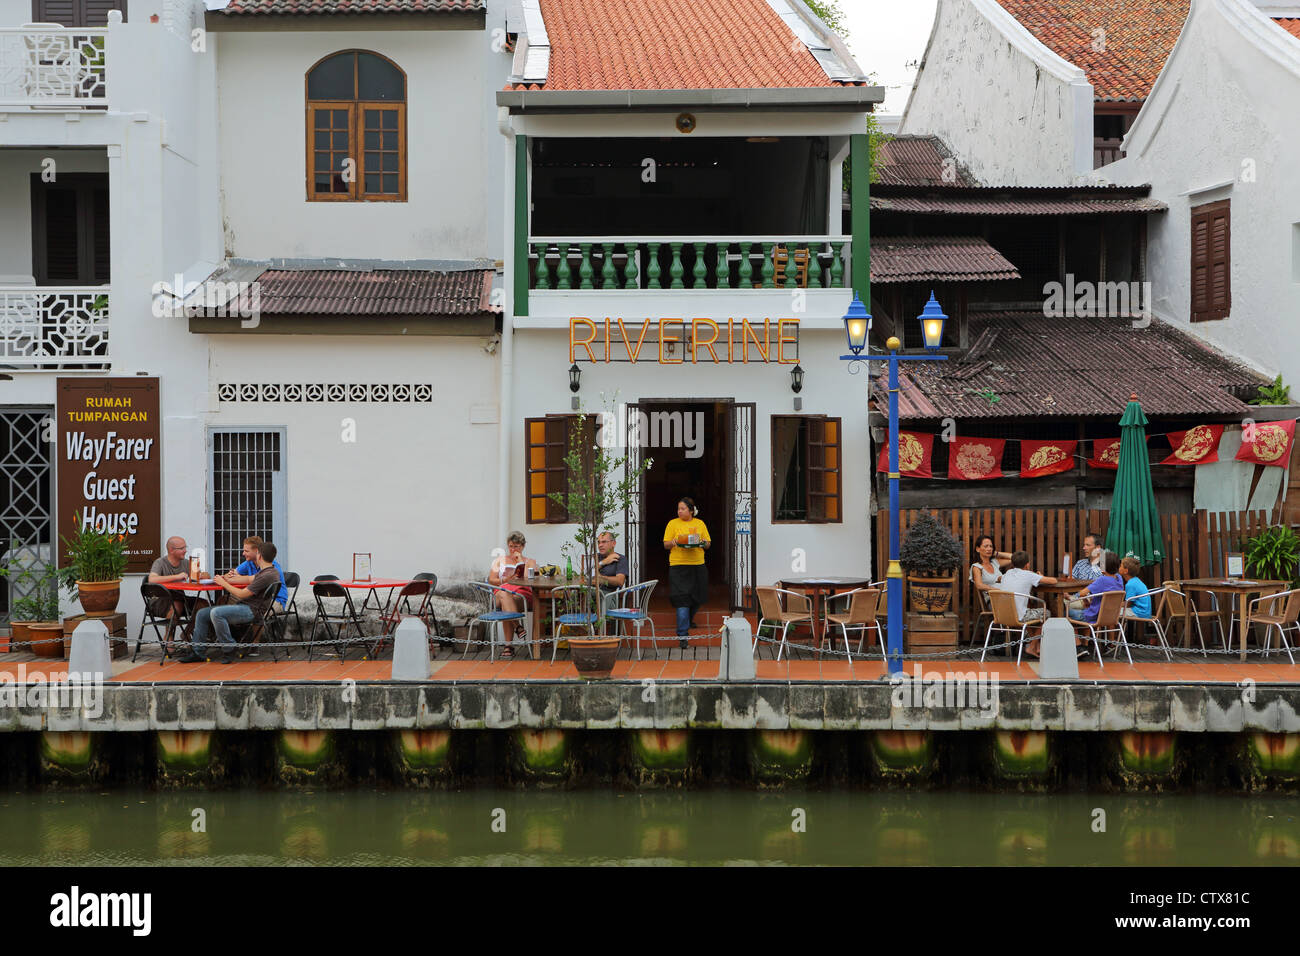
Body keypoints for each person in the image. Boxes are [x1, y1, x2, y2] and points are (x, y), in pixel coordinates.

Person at [177, 540, 280, 664]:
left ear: (259, 555)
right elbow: (247, 578)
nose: (244, 553)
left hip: (252, 611)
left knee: (216, 613)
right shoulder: (268, 571)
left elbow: (242, 594)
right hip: (247, 606)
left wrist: (224, 583)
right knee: (202, 613)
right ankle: (197, 651)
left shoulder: (266, 575)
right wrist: (226, 577)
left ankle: (229, 648)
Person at [663, 496, 710, 647]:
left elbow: (708, 543)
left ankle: (688, 620)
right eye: (678, 509)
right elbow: (666, 544)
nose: (679, 511)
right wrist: (674, 542)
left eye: (683, 509)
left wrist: (702, 543)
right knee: (681, 599)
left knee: (699, 597)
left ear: (691, 510)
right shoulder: (672, 523)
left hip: (697, 565)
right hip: (678, 566)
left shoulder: (700, 523)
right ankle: (683, 635)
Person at [1067, 551, 1126, 657]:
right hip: (1111, 617)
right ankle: (1083, 645)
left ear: (1102, 567)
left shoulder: (1102, 580)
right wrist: (1087, 602)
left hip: (1094, 617)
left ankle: (1078, 646)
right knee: (1082, 610)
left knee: (1065, 612)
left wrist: (1069, 596)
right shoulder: (1119, 579)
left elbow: (1082, 594)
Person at [999, 551, 1056, 658]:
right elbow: (1053, 581)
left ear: (1012, 564)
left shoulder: (1007, 574)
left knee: (1028, 609)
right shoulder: (1029, 575)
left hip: (1003, 616)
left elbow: (999, 579)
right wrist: (1041, 576)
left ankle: (1037, 646)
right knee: (1046, 613)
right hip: (1019, 617)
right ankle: (1032, 646)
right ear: (1027, 565)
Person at [489, 531, 537, 659]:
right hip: (500, 594)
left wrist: (521, 562)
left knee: (507, 601)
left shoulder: (530, 562)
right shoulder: (499, 561)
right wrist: (506, 580)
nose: (513, 549)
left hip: (521, 595)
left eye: (516, 546)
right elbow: (491, 580)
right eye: (511, 546)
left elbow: (529, 579)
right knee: (504, 593)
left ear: (522, 546)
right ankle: (518, 626)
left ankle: (508, 646)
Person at [225, 536, 288, 610]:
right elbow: (232, 573)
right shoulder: (249, 562)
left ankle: (234, 618)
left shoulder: (271, 567)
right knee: (229, 597)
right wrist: (230, 576)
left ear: (257, 551)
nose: (243, 553)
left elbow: (246, 580)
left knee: (238, 599)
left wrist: (226, 580)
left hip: (274, 601)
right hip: (258, 598)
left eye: (246, 551)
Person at [147, 536, 195, 626]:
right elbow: (152, 579)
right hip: (159, 600)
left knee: (202, 604)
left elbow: (198, 577)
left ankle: (187, 636)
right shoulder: (160, 562)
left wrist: (203, 575)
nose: (185, 550)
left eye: (185, 547)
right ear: (171, 550)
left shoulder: (186, 563)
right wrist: (177, 576)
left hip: (180, 598)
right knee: (176, 605)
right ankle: (169, 638)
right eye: (181, 548)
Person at [969, 535, 1014, 603]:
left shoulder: (994, 563)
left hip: (1006, 596)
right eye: (986, 546)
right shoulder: (977, 567)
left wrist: (997, 553)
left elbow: (1014, 558)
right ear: (978, 549)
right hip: (994, 599)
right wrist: (998, 590)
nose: (989, 549)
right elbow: (979, 585)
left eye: (991, 546)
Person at [1119, 555, 1152, 625]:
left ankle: (1116, 635)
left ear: (1126, 571)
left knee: (1112, 612)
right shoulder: (1136, 580)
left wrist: (1115, 605)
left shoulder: (1130, 584)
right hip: (1145, 612)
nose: (1119, 568)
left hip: (1138, 613)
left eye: (1120, 566)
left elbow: (1128, 604)